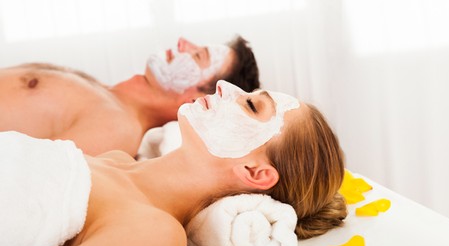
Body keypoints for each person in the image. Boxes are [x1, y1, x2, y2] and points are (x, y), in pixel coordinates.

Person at [4, 80, 347, 246]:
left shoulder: (156, 234)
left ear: (255, 173)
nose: (224, 86)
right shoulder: (117, 159)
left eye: (252, 104)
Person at [0, 35, 260, 156]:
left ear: (193, 99)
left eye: (196, 55)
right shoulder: (103, 93)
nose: (182, 42)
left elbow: (24, 180)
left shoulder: (117, 129)